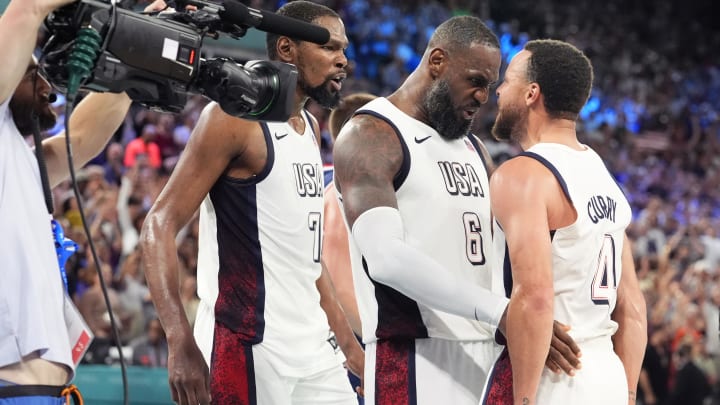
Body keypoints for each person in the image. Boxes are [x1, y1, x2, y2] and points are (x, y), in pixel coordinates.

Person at [332, 16, 580, 405]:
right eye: (475, 81)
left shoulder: (474, 149)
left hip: (487, 350)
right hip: (412, 356)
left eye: (490, 86)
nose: (484, 97)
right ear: (437, 62)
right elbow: (383, 258)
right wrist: (501, 311)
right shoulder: (372, 134)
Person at [140, 2, 362, 405]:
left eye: (344, 50)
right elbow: (159, 224)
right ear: (287, 50)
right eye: (330, 48)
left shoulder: (310, 127)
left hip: (315, 349)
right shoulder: (233, 119)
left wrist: (351, 350)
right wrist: (179, 338)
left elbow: (308, 262)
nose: (343, 60)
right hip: (247, 346)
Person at [482, 39, 647, 405]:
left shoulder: (523, 174)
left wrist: (522, 399)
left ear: (531, 93)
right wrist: (628, 391)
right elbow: (632, 304)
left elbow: (535, 298)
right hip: (608, 374)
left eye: (507, 80)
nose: (499, 90)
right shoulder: (603, 176)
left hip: (552, 377)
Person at [0, 0, 146, 401]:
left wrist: (136, 52)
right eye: (35, 73)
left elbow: (81, 140)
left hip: (45, 392)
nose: (49, 88)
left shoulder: (20, 162)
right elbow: (27, 9)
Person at [323, 92, 378, 337]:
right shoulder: (359, 190)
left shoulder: (317, 181)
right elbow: (341, 283)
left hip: (324, 331)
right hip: (359, 336)